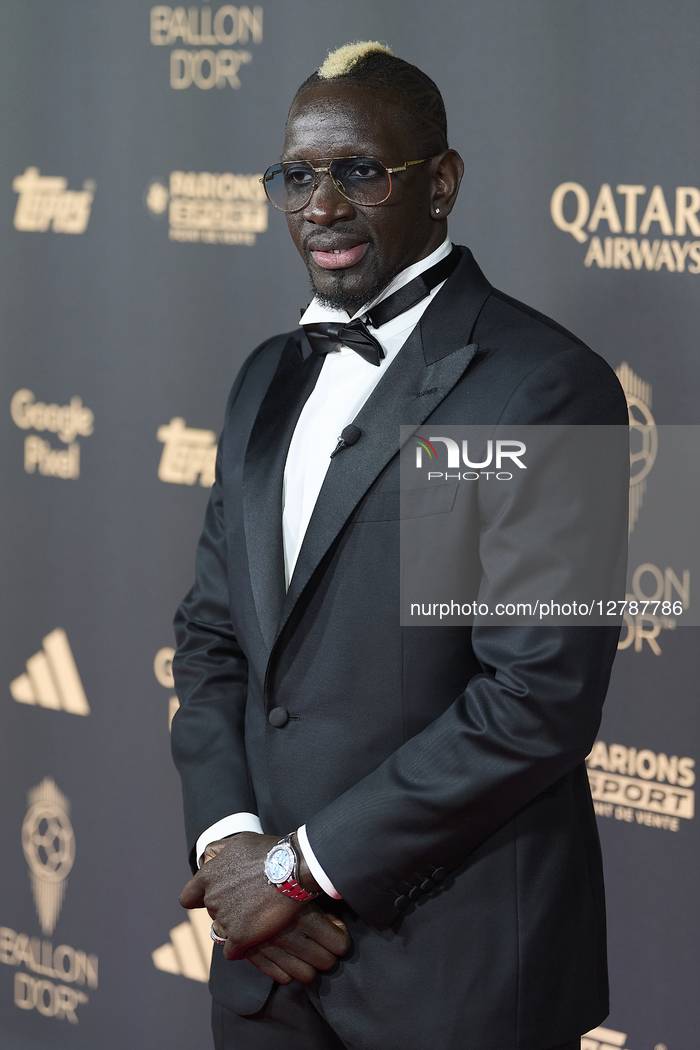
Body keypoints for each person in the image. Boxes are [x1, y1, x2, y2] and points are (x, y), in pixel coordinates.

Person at [171, 41, 627, 1050]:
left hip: (457, 976)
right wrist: (233, 848)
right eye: (297, 175)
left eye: (359, 172)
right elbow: (209, 642)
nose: (321, 205)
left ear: (441, 182)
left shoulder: (556, 384)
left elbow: (540, 702)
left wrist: (297, 874)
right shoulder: (261, 377)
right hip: (267, 971)